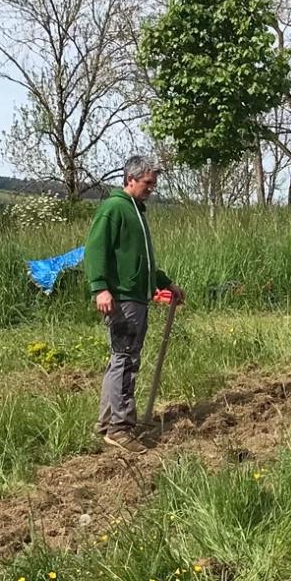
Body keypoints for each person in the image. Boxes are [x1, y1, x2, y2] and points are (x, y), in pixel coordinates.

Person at [84, 153, 179, 451]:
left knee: (120, 358)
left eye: (154, 183)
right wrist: (100, 288)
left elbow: (142, 260)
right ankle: (121, 428)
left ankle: (106, 421)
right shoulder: (114, 209)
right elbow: (94, 249)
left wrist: (165, 283)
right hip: (123, 298)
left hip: (136, 296)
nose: (152, 188)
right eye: (148, 183)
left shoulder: (136, 210)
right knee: (126, 360)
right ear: (131, 180)